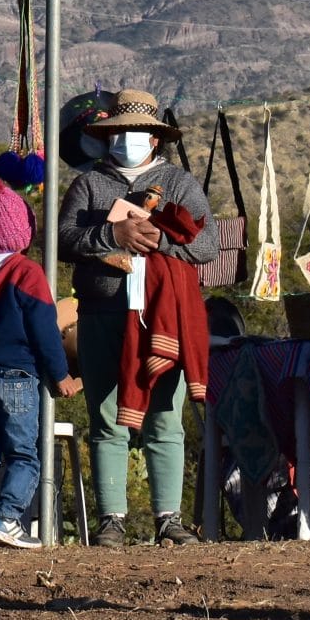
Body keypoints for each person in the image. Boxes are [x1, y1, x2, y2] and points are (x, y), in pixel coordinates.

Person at [55, 90, 220, 547]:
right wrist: (112, 233)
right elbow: (63, 239)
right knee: (106, 416)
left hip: (164, 317)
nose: (128, 139)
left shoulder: (181, 183)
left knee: (166, 416)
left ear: (154, 138)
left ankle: (169, 519)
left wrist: (156, 240)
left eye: (137, 131)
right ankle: (112, 521)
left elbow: (206, 246)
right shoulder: (88, 185)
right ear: (108, 137)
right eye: (119, 132)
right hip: (102, 312)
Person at [0, 179, 79, 547]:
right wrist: (61, 375)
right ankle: (7, 517)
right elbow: (44, 331)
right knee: (25, 454)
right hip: (18, 377)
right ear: (22, 229)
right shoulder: (27, 273)